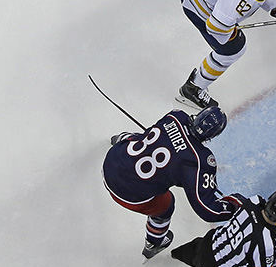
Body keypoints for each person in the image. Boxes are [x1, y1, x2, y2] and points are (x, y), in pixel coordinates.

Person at [102, 107, 240, 259]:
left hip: (111, 160)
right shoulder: (200, 159)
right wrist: (234, 207)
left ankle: (119, 138)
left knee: (141, 139)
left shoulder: (176, 116)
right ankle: (154, 242)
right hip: (125, 193)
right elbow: (207, 209)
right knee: (166, 205)